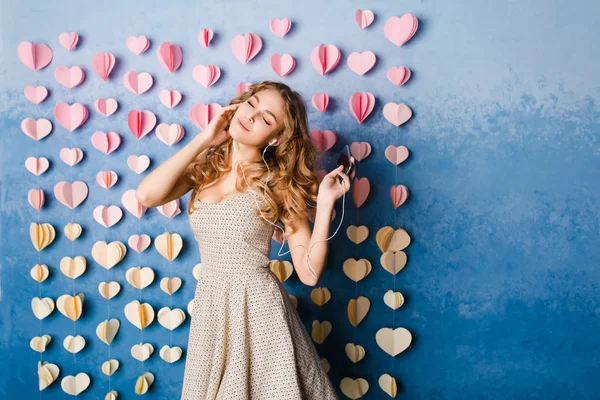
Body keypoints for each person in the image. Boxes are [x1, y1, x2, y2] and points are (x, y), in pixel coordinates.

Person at [136, 80, 351, 399]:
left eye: (266, 118)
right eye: (252, 104)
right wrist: (206, 138)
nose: (251, 117)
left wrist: (326, 203)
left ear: (276, 137)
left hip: (259, 311)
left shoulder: (277, 183)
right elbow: (146, 195)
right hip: (213, 309)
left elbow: (308, 272)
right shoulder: (203, 168)